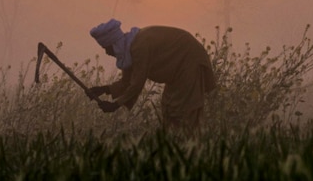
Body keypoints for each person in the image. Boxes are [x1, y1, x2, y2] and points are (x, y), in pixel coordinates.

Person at [87, 18, 216, 133]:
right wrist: (103, 90)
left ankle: (190, 147)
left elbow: (137, 84)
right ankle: (175, 145)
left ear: (115, 45)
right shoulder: (128, 49)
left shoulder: (139, 47)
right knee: (169, 107)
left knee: (184, 109)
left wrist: (115, 105)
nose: (107, 53)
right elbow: (126, 82)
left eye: (107, 48)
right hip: (177, 69)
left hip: (189, 60)